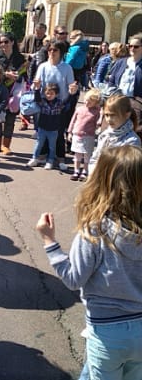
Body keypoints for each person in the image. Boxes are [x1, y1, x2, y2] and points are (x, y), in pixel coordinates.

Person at [37, 145, 142, 380]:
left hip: (107, 332)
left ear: (102, 181)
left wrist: (49, 241)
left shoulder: (96, 229)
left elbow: (73, 279)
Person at [29, 83, 76, 170]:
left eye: (52, 93)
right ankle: (34, 158)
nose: (49, 95)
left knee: (52, 146)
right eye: (47, 93)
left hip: (54, 130)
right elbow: (37, 98)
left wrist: (70, 93)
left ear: (56, 94)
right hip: (42, 128)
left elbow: (66, 103)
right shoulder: (42, 101)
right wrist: (37, 89)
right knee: (38, 144)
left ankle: (50, 161)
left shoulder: (58, 103)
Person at [69, 89, 104, 181]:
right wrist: (70, 132)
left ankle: (85, 171)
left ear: (95, 103)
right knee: (77, 155)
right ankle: (76, 171)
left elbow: (99, 122)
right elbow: (73, 121)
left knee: (87, 155)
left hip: (89, 136)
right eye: (86, 100)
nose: (87, 102)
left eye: (90, 101)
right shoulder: (79, 109)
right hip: (77, 134)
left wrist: (100, 114)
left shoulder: (96, 111)